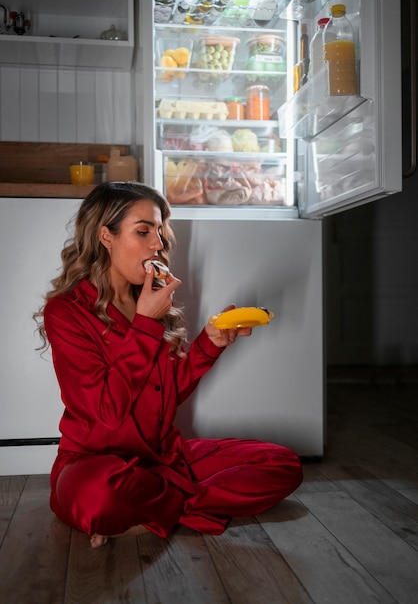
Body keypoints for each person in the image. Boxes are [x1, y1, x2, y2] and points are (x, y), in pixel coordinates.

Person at [34, 181, 303, 548]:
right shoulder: (66, 312)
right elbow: (107, 414)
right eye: (143, 231)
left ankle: (148, 513)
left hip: (165, 458)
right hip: (95, 463)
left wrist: (209, 345)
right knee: (99, 494)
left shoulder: (149, 301)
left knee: (283, 464)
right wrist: (144, 324)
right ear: (105, 236)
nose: (157, 243)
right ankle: (165, 506)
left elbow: (166, 395)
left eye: (159, 231)